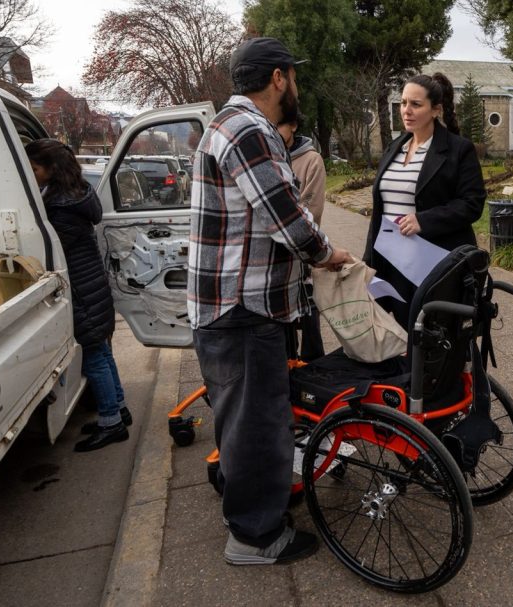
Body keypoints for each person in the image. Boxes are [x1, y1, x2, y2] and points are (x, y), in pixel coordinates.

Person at [187, 37, 350, 566]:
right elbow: (288, 218)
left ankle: (249, 515)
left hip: (234, 307)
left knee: (244, 422)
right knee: (257, 427)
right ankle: (255, 538)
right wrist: (329, 255)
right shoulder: (249, 130)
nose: (295, 85)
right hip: (243, 309)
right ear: (278, 78)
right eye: (293, 76)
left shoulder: (228, 125)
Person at [25, 139, 132, 453]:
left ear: (52, 169)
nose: (32, 176)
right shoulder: (79, 195)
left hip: (82, 292)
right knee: (102, 352)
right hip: (92, 285)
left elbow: (48, 251)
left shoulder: (59, 209)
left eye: (35, 169)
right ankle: (119, 410)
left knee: (94, 358)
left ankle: (111, 423)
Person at [362, 73, 487, 324]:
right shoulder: (395, 147)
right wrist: (368, 263)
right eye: (403, 103)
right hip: (391, 262)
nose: (406, 110)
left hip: (431, 264)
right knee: (397, 335)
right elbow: (380, 211)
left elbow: (472, 203)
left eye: (416, 104)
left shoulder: (458, 149)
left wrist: (424, 220)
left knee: (433, 336)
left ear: (436, 110)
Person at [277, 115, 326, 361]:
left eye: (279, 125)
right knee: (283, 328)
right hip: (276, 261)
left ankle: (314, 367)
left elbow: (311, 210)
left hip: (303, 253)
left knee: (309, 319)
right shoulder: (268, 155)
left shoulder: (311, 160)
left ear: (293, 125)